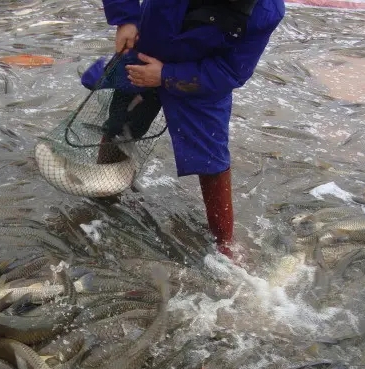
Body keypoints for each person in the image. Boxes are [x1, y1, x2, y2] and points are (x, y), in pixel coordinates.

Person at [90, 0, 285, 258]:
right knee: (120, 127)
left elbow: (233, 70)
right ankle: (104, 201)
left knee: (211, 158)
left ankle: (225, 243)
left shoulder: (267, 11)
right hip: (150, 46)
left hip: (202, 77)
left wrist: (167, 76)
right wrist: (125, 18)